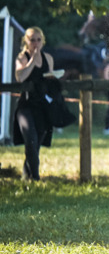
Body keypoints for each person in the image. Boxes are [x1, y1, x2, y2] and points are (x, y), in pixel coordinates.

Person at [13, 27, 57, 180]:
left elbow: (49, 80)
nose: (35, 43)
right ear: (26, 41)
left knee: (36, 144)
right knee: (30, 140)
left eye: (38, 40)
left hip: (42, 106)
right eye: (32, 40)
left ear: (42, 41)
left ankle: (27, 177)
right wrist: (32, 61)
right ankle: (36, 178)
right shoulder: (21, 58)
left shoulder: (48, 58)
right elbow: (20, 77)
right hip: (25, 106)